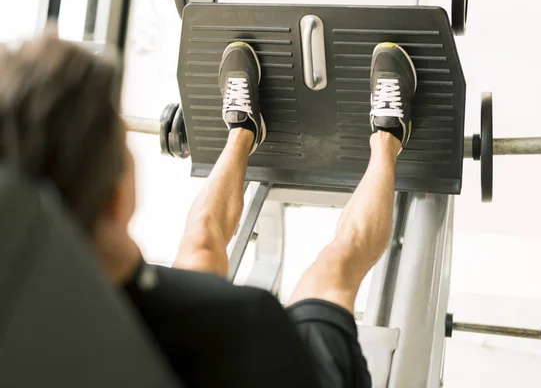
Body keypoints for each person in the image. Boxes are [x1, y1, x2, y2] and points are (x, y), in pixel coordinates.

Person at [0, 34, 416, 388]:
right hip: (285, 374)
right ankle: (388, 138)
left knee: (200, 237)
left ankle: (244, 130)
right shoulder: (250, 322)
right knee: (333, 272)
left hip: (164, 335)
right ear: (116, 200)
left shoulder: (39, 320)